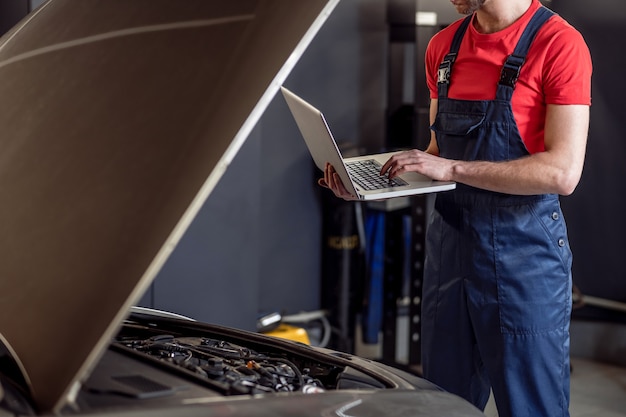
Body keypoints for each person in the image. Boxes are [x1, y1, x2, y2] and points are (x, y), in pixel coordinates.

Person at [319, 0, 592, 416]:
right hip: (450, 251)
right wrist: (368, 184)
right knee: (441, 405)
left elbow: (562, 172)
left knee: (532, 407)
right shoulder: (444, 47)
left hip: (525, 258)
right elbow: (436, 157)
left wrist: (450, 166)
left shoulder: (559, 44)